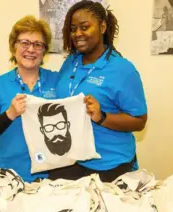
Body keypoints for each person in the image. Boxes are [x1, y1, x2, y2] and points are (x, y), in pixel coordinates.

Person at [49, 1, 148, 182]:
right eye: (73, 29)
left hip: (111, 166)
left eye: (85, 27)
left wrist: (102, 117)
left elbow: (139, 121)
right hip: (71, 161)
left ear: (102, 27)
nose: (77, 34)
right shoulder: (70, 62)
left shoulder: (122, 70)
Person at [0, 15, 59, 183]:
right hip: (9, 175)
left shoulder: (58, 81)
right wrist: (10, 113)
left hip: (50, 175)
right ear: (13, 47)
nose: (31, 50)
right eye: (24, 43)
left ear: (44, 51)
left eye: (38, 44)